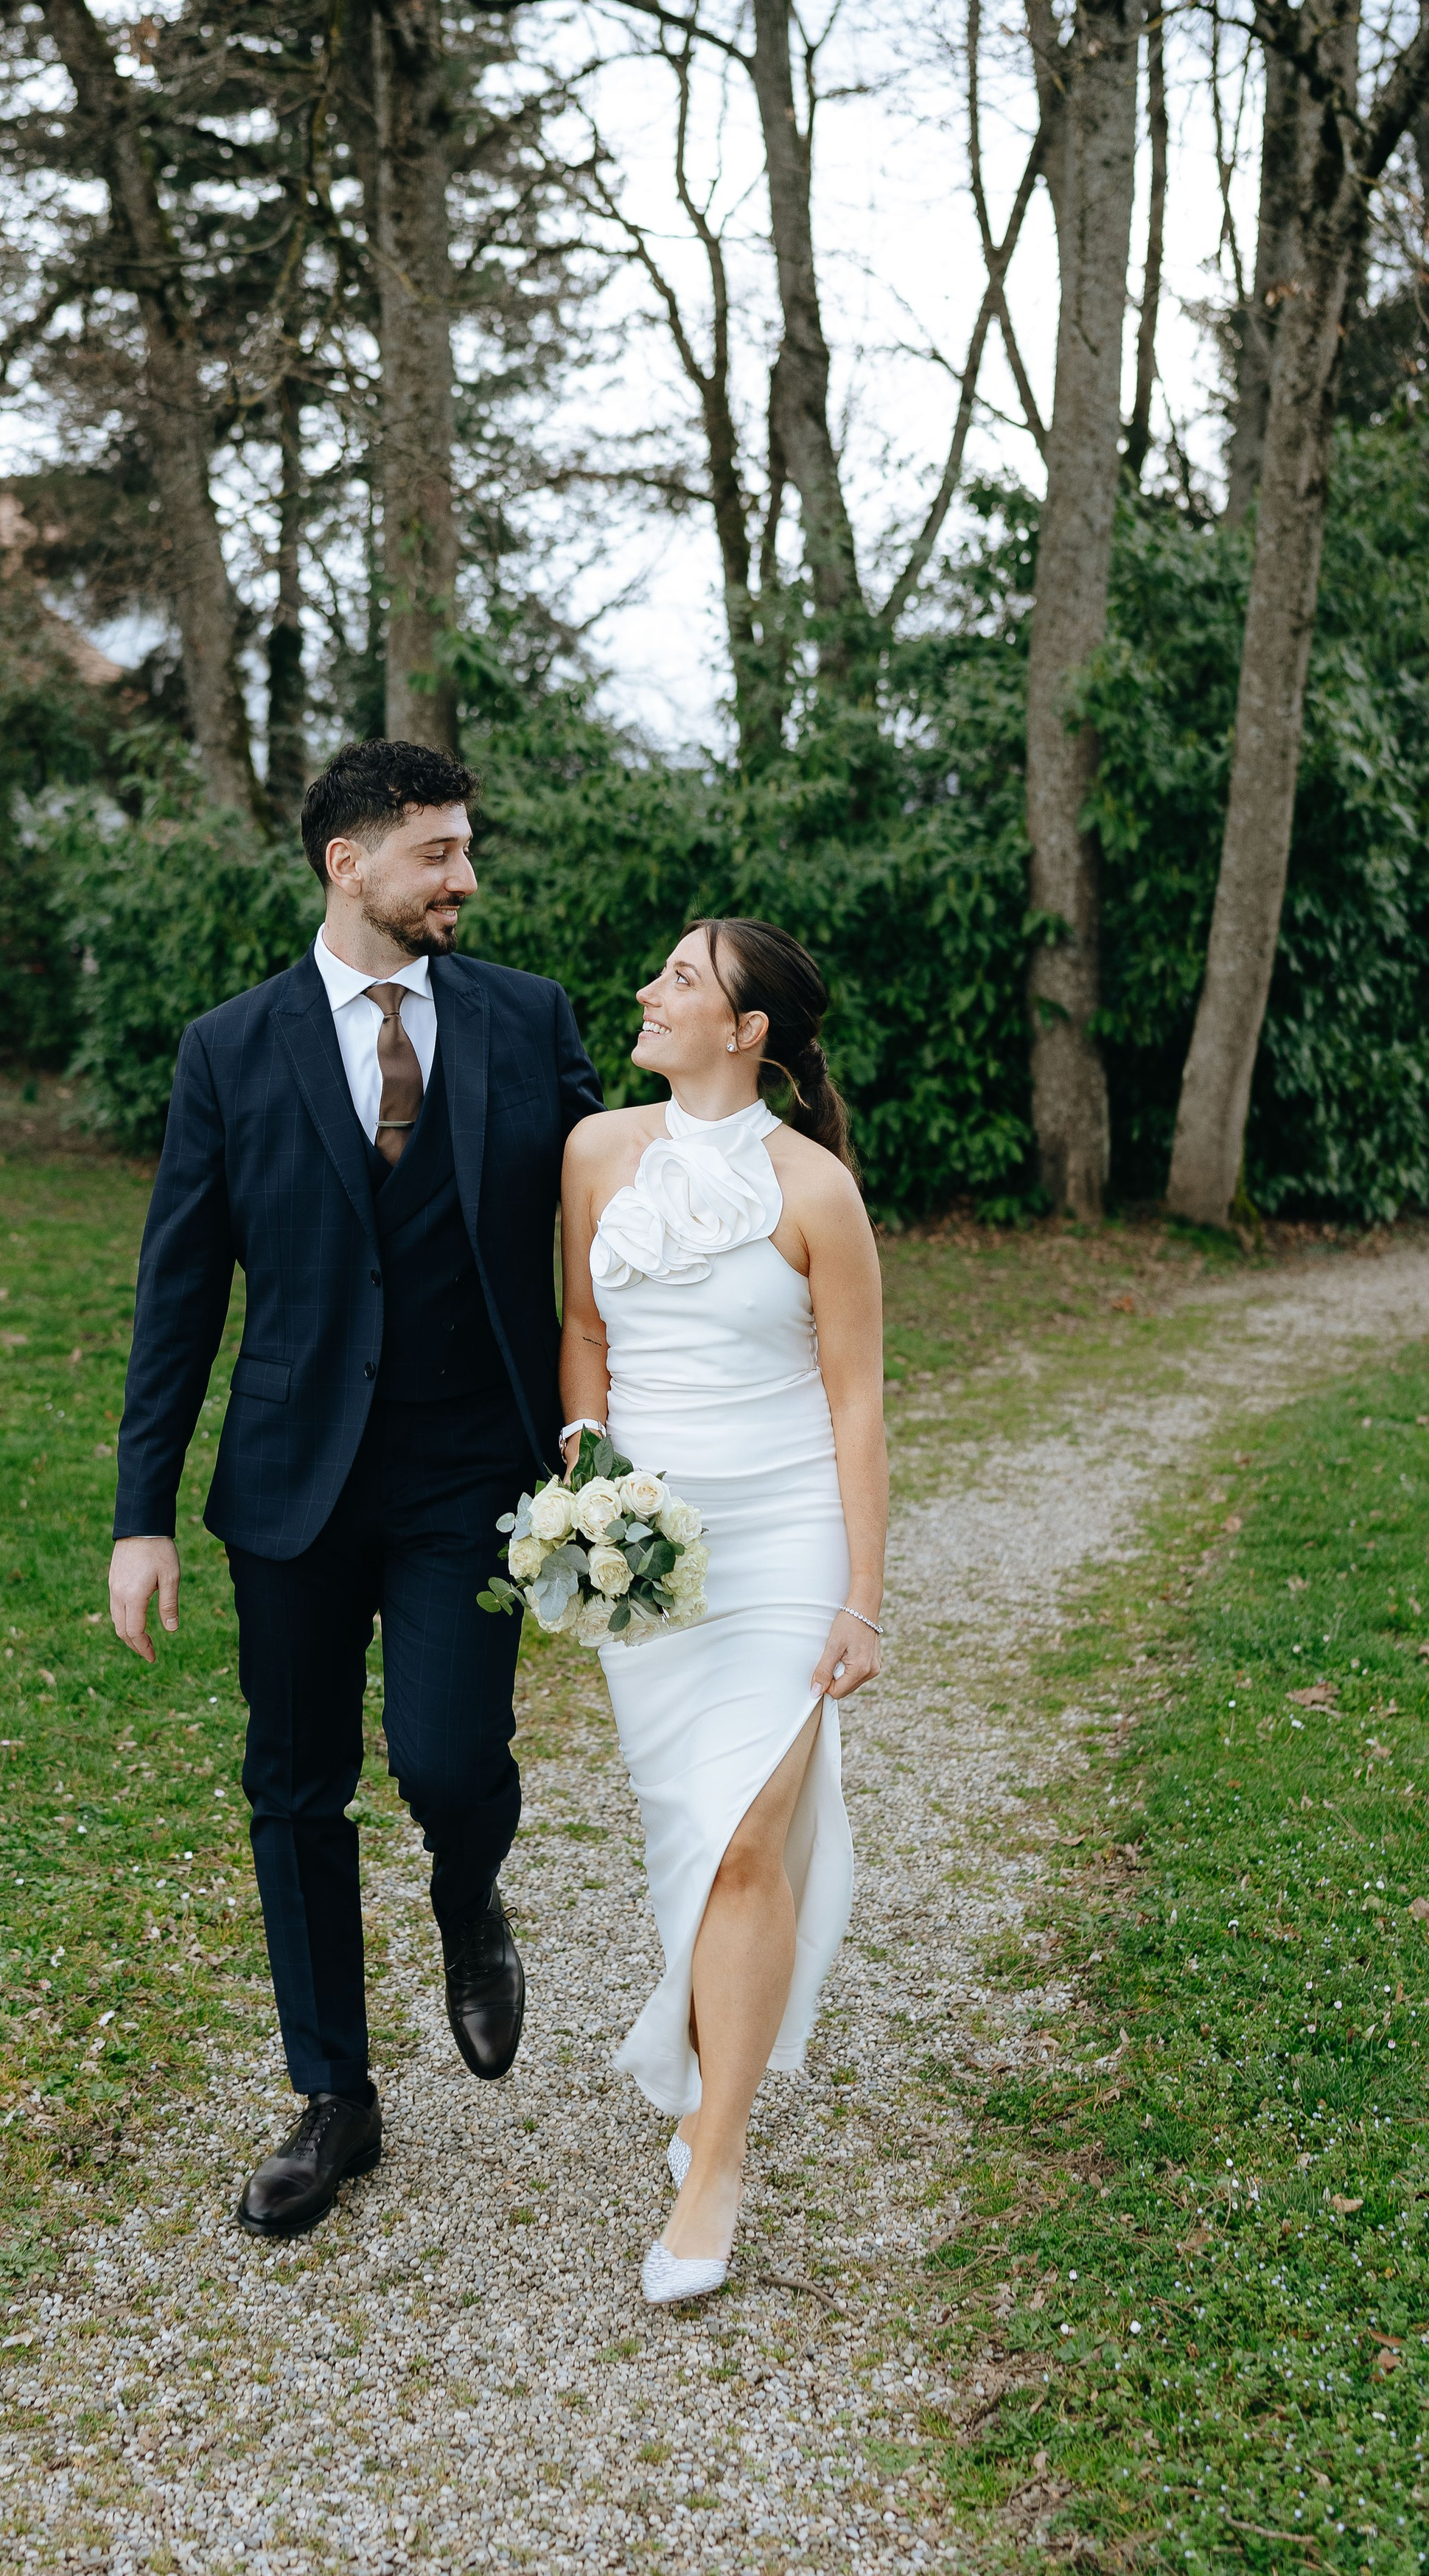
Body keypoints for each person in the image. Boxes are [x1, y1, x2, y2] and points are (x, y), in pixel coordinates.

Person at [108, 739, 604, 2238]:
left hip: (472, 1468)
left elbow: (602, 1231)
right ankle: (335, 2096)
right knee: (294, 1785)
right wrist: (141, 1514)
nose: (464, 877)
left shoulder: (527, 1022)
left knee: (451, 1760)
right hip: (292, 1482)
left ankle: (469, 1894)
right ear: (349, 864)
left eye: (464, 849)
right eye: (437, 853)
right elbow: (177, 1295)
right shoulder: (229, 1050)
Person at [557, 918, 885, 2303]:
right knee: (688, 1840)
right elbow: (584, 1332)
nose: (650, 990)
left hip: (785, 1534)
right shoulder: (594, 1155)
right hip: (652, 1556)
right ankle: (707, 2074)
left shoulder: (818, 1192)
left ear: (746, 1029)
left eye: (681, 978)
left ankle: (720, 2161)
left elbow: (856, 1397)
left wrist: (865, 1595)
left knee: (751, 1833)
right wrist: (589, 1466)